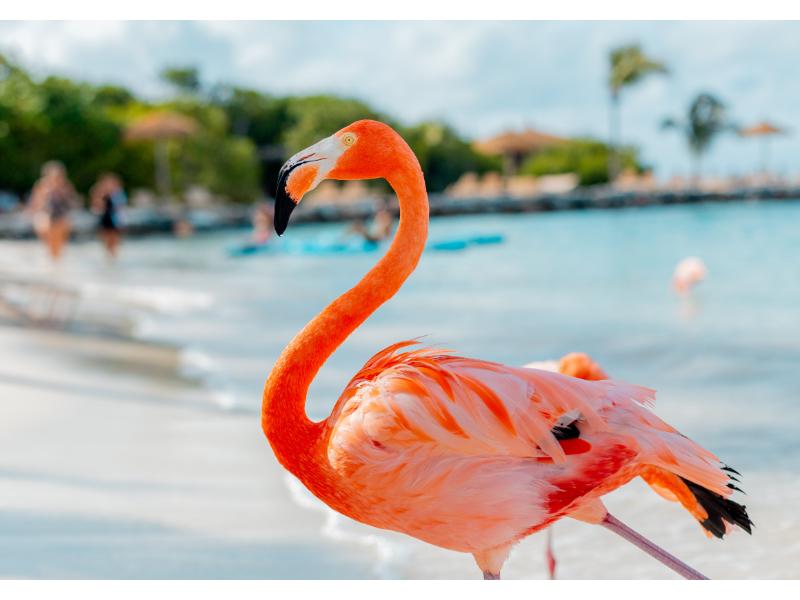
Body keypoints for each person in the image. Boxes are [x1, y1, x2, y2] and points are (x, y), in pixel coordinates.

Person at [27, 161, 78, 261]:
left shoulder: (65, 185)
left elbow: (72, 200)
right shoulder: (42, 184)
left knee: (59, 240)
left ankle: (56, 260)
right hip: (47, 214)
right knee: (49, 239)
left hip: (61, 214)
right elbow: (35, 200)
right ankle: (52, 259)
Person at [90, 173, 127, 259]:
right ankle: (108, 256)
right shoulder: (101, 194)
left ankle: (113, 256)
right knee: (106, 239)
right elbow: (96, 205)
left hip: (115, 219)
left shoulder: (118, 193)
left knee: (115, 239)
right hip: (105, 218)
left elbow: (121, 206)